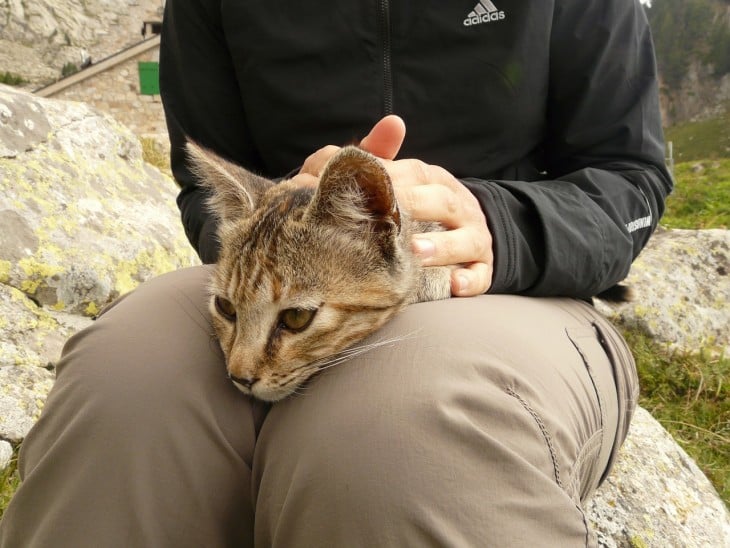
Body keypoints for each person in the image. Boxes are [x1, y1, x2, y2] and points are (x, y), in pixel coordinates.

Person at [0, 0, 673, 546]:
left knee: (398, 437)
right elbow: (202, 186)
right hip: (282, 276)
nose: (237, 369)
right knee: (120, 389)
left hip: (512, 285)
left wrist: (506, 225)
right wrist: (274, 217)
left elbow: (631, 180)